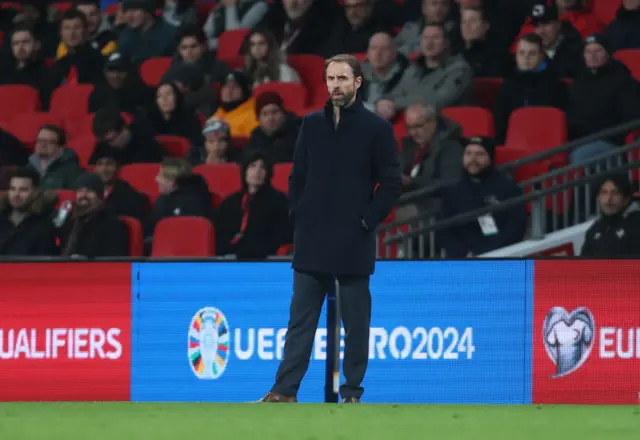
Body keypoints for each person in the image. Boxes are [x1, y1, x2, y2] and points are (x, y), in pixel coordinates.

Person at [259, 54, 401, 403]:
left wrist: (367, 221)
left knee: (356, 326)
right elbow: (298, 177)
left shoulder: (377, 129)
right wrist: (299, 214)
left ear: (357, 82)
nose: (335, 85)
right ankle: (284, 391)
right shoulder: (311, 124)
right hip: (312, 238)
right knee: (300, 323)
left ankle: (351, 393)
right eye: (330, 79)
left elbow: (392, 184)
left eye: (342, 78)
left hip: (354, 240)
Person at [0, 167, 58, 256]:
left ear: (35, 192)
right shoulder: (2, 217)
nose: (16, 194)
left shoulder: (45, 222)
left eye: (23, 190)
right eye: (12, 189)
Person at [581, 175, 640, 257]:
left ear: (626, 199)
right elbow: (583, 265)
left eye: (615, 193)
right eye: (604, 193)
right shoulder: (593, 230)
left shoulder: (636, 224)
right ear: (598, 198)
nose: (608, 199)